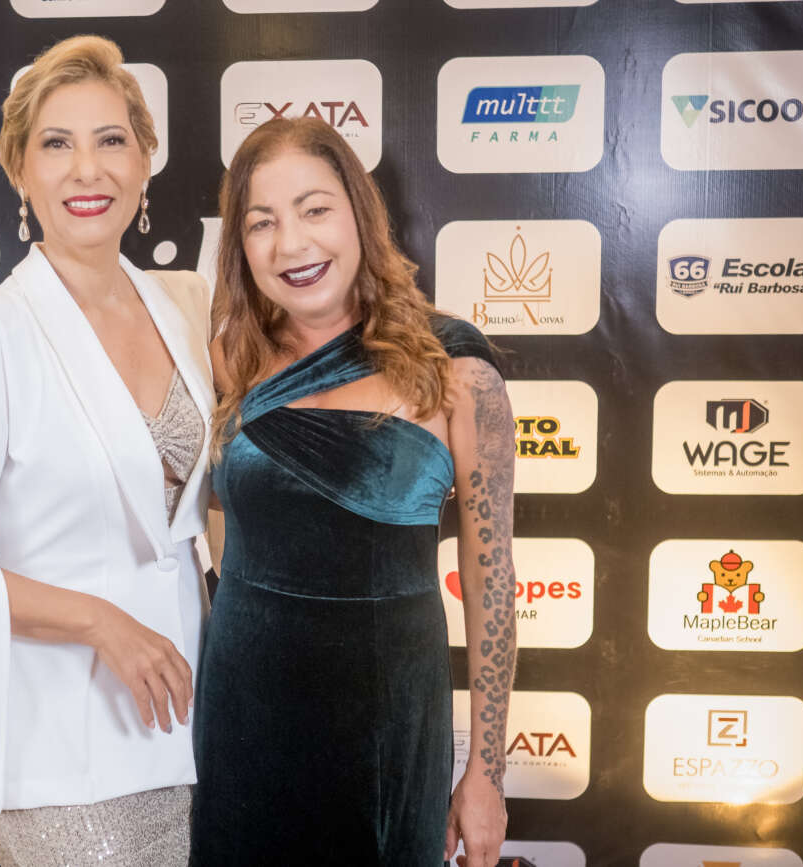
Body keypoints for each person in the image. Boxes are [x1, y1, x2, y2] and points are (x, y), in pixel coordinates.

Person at [0, 35, 213, 866]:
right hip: (57, 748)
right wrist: (102, 622)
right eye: (57, 144)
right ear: (21, 173)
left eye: (111, 140)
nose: (87, 169)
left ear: (144, 164)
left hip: (190, 728)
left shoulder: (184, 306)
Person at [191, 116, 517, 867]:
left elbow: (491, 580)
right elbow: (202, 510)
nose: (291, 244)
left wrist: (486, 773)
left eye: (314, 209)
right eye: (262, 222)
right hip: (243, 717)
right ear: (240, 246)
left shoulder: (455, 371)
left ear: (360, 217)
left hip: (386, 728)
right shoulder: (229, 359)